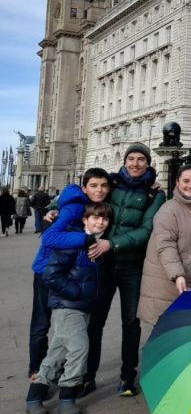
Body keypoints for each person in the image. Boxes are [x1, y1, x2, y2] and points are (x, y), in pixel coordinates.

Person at [83, 143, 166, 397]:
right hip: (103, 263)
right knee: (94, 322)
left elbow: (146, 230)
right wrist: (54, 210)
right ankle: (87, 376)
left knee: (131, 322)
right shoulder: (112, 184)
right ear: (125, 161)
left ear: (148, 163)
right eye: (131, 158)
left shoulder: (155, 194)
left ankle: (127, 376)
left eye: (141, 159)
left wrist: (113, 243)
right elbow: (84, 197)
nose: (135, 163)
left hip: (132, 265)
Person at [26, 202, 112, 414]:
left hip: (85, 307)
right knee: (80, 348)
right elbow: (51, 273)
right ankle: (67, 397)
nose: (100, 221)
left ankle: (34, 397)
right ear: (85, 220)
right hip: (68, 305)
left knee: (57, 352)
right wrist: (74, 292)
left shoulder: (99, 244)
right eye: (95, 217)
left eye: (104, 218)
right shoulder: (75, 241)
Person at [28, 170, 110, 381]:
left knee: (69, 329)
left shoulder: (93, 207)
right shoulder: (74, 207)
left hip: (71, 273)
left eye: (103, 185)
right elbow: (50, 237)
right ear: (84, 188)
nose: (99, 190)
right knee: (41, 324)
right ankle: (36, 373)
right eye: (93, 185)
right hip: (48, 269)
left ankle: (54, 372)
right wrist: (84, 239)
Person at [138, 165, 191, 325]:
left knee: (190, 332)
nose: (190, 185)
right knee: (167, 334)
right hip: (168, 281)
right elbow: (165, 245)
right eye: (186, 181)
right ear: (177, 182)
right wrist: (177, 274)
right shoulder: (168, 210)